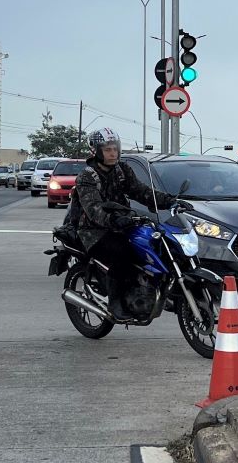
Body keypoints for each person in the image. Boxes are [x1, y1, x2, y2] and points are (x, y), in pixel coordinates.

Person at [73, 128, 174, 321]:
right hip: (94, 231)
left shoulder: (122, 170)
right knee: (122, 253)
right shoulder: (87, 176)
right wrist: (112, 219)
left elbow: (141, 191)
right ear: (96, 151)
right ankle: (116, 303)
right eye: (107, 150)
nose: (113, 153)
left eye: (115, 149)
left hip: (123, 224)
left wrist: (169, 201)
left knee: (153, 245)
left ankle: (148, 291)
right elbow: (93, 208)